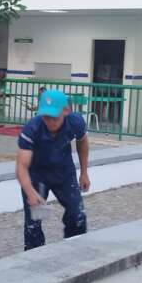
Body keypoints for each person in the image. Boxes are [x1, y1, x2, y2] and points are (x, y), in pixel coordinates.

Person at [16, 89, 90, 251]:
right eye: (46, 116)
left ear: (66, 111)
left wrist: (84, 172)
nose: (50, 121)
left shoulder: (75, 122)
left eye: (54, 117)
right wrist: (30, 192)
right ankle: (34, 257)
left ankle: (74, 249)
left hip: (63, 172)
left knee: (77, 215)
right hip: (36, 175)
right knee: (33, 223)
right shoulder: (32, 129)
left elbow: (82, 142)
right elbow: (21, 166)